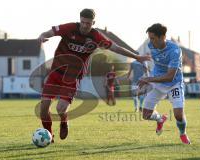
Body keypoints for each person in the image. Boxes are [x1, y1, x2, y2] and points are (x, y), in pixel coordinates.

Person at [37, 8, 151, 142]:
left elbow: (116, 47)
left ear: (93, 23)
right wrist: (42, 36)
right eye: (83, 22)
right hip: (55, 72)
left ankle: (64, 120)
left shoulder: (96, 37)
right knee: (43, 109)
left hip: (73, 77)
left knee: (60, 108)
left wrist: (136, 56)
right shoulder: (69, 28)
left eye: (88, 23)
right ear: (80, 20)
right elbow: (50, 32)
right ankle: (49, 136)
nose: (85, 25)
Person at [138, 23, 191, 144]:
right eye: (149, 38)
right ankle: (160, 119)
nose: (150, 41)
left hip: (174, 83)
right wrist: (147, 75)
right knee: (145, 115)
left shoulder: (175, 51)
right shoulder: (151, 45)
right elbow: (155, 61)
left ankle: (183, 134)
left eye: (153, 38)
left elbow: (169, 76)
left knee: (178, 115)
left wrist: (148, 80)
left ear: (162, 37)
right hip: (157, 81)